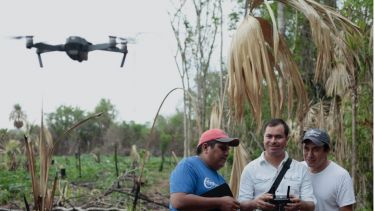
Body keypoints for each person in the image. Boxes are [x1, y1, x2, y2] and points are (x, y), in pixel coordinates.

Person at [238, 118, 316, 211]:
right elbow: (241, 205)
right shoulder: (250, 169)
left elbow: (311, 205)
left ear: (287, 139)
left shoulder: (301, 169)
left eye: (278, 137)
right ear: (263, 138)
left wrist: (301, 204)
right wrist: (255, 203)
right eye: (269, 136)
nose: (273, 141)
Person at [169, 128, 241, 211]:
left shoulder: (220, 179)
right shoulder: (188, 166)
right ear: (206, 147)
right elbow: (178, 201)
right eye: (222, 148)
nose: (227, 153)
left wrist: (249, 204)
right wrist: (220, 202)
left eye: (228, 149)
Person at [301, 128, 356, 211]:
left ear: (327, 151)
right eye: (306, 148)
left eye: (316, 149)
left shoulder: (341, 176)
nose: (309, 154)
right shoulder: (297, 169)